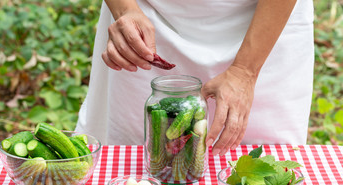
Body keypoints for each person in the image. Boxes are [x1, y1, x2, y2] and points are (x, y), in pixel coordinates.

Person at [76, 0, 314, 156]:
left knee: (267, 167)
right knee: (133, 160)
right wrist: (125, 9)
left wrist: (245, 70)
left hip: (267, 21)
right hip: (144, 14)